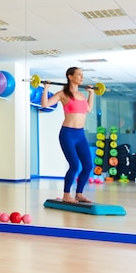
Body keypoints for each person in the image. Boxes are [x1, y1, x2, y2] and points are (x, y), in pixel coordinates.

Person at [41, 67, 95, 203]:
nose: (82, 77)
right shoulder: (62, 94)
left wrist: (91, 93)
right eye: (79, 74)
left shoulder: (82, 95)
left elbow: (88, 109)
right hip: (68, 134)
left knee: (88, 165)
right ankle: (66, 194)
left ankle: (79, 194)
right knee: (74, 165)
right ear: (70, 77)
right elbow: (45, 104)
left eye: (83, 75)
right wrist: (46, 88)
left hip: (80, 134)